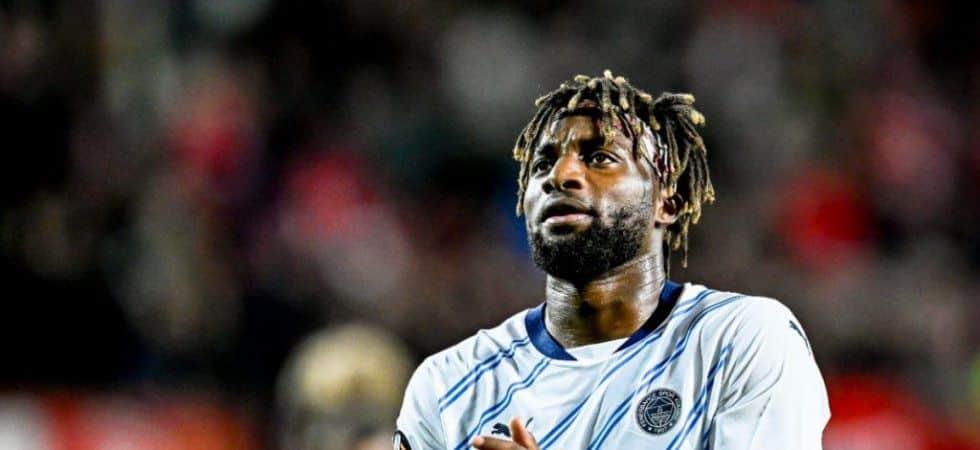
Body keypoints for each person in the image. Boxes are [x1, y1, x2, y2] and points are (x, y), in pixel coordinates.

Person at [395, 71, 830, 449]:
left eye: (600, 157)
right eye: (542, 163)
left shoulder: (739, 340)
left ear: (668, 201)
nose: (560, 175)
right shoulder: (449, 384)